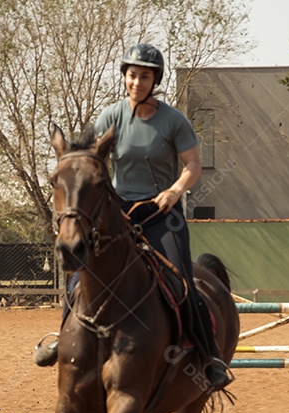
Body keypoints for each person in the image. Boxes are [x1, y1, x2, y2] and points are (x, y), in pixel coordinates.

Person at [34, 43, 232, 391]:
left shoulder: (173, 121)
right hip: (118, 216)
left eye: (144, 76)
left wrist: (175, 191)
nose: (136, 82)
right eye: (132, 75)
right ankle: (61, 340)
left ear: (154, 80)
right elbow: (92, 161)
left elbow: (193, 165)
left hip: (162, 216)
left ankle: (208, 355)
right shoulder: (110, 117)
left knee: (183, 283)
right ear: (124, 77)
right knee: (81, 275)